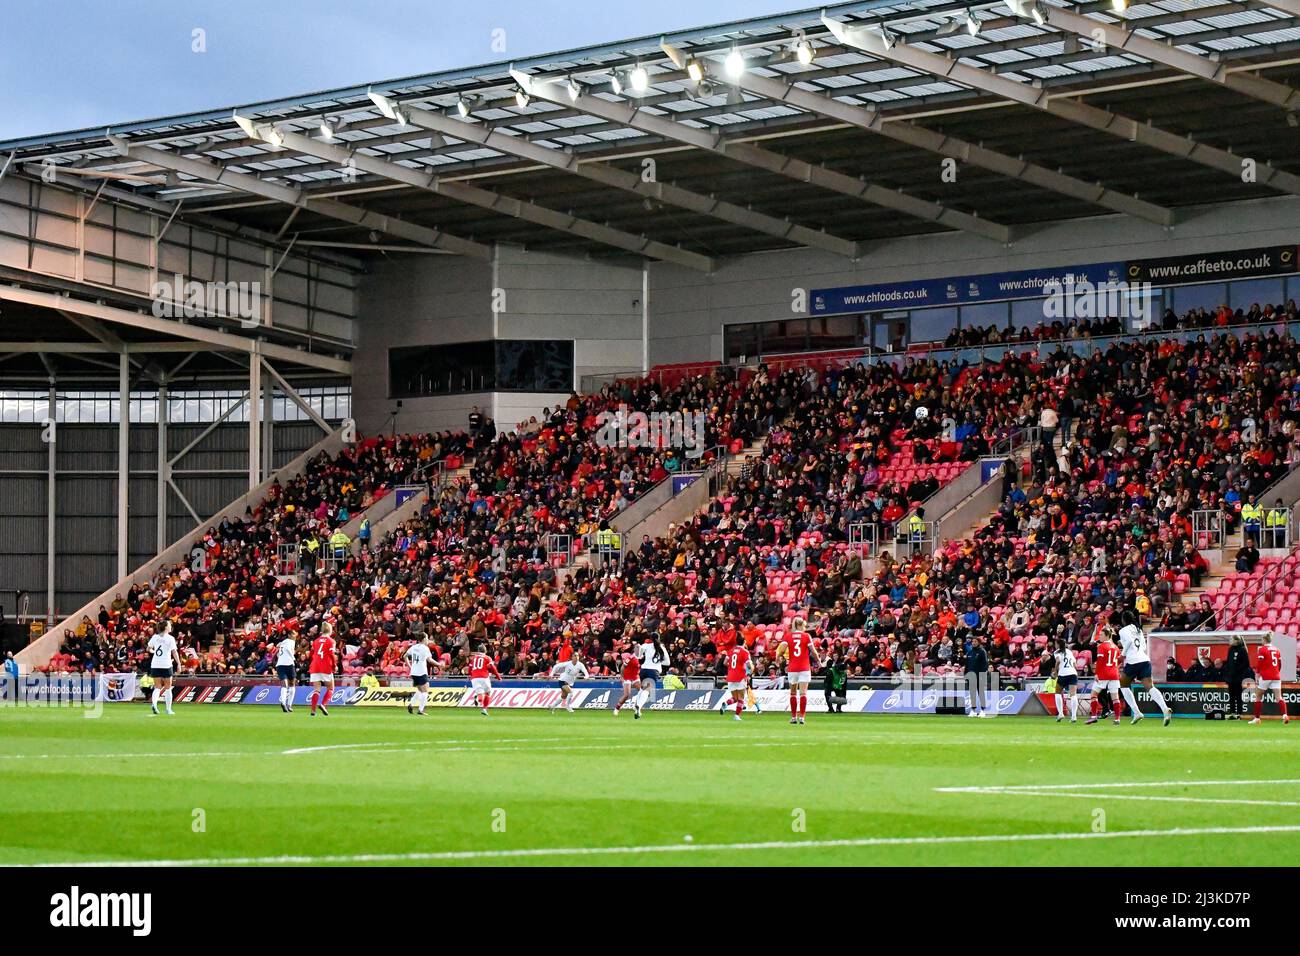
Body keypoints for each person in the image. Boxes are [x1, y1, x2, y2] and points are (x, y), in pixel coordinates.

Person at [1117, 611, 1171, 726]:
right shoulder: (1138, 629)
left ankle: (1137, 712)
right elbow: (1143, 646)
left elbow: (1130, 642)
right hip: (1144, 660)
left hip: (1133, 661)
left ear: (1124, 620)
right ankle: (1165, 709)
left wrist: (1123, 655)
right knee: (1149, 687)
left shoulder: (1123, 630)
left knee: (1123, 685)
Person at [776, 618, 821, 725]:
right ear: (801, 626)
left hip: (792, 668)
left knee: (792, 693)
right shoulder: (806, 636)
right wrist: (818, 661)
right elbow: (813, 651)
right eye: (804, 626)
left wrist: (778, 658)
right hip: (804, 668)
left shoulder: (788, 636)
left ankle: (793, 717)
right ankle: (802, 717)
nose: (805, 628)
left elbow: (781, 650)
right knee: (803, 693)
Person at [1085, 626, 1122, 725]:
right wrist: (1115, 668)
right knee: (1115, 697)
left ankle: (1093, 716)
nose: (1099, 636)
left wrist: (1096, 673)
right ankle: (1117, 719)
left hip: (1104, 674)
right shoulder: (1116, 647)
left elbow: (1100, 662)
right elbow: (1119, 660)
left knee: (1093, 694)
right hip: (1114, 674)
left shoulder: (1101, 646)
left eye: (1101, 634)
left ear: (1106, 636)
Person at [1250, 634, 1290, 725]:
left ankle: (1257, 718)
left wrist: (1257, 674)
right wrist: (1276, 672)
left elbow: (1260, 663)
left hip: (1265, 676)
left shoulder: (1262, 649)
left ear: (1264, 639)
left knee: (1258, 696)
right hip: (1276, 676)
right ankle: (1284, 715)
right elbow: (1279, 664)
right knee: (1279, 697)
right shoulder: (1276, 649)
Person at [145, 620, 181, 716]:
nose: (170, 626)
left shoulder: (155, 637)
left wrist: (154, 651)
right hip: (166, 664)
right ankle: (168, 709)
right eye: (169, 625)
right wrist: (179, 663)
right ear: (165, 628)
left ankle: (154, 704)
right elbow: (174, 652)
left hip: (155, 664)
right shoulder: (170, 638)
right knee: (168, 688)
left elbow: (148, 649)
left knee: (157, 687)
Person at [631, 636, 670, 719]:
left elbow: (638, 656)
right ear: (658, 638)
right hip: (654, 671)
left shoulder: (646, 645)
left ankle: (636, 706)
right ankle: (639, 706)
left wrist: (638, 648)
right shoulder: (661, 647)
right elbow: (667, 663)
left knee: (642, 689)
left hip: (644, 669)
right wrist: (658, 660)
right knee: (647, 690)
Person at [308, 623, 338, 717]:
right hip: (325, 666)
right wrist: (335, 665)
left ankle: (313, 710)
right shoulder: (331, 641)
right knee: (331, 688)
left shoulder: (316, 641)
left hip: (315, 666)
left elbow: (311, 654)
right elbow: (331, 654)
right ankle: (323, 704)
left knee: (317, 689)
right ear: (330, 630)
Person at [405, 635, 436, 716]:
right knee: (425, 691)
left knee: (420, 690)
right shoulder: (425, 648)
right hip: (421, 672)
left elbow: (405, 656)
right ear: (424, 639)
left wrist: (409, 666)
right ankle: (420, 710)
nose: (428, 640)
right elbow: (429, 659)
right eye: (427, 638)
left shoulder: (413, 647)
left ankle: (411, 704)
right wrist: (439, 664)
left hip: (414, 672)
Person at [1224, 634, 1253, 720]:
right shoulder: (1230, 650)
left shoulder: (1242, 650)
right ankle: (1232, 713)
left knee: (1238, 695)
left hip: (1238, 677)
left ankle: (1239, 713)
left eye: (1231, 639)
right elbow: (1228, 662)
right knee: (1231, 696)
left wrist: (1237, 670)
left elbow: (1246, 664)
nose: (1230, 641)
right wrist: (1228, 673)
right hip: (1231, 678)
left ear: (1236, 641)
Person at [1052, 638, 1079, 723]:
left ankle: (1060, 713)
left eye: (1056, 644)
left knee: (1057, 692)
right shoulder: (1069, 651)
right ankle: (1074, 716)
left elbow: (1058, 661)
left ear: (1058, 645)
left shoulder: (1057, 652)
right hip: (1073, 674)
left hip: (1063, 674)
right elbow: (1075, 665)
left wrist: (1055, 671)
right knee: (1073, 694)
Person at [468, 644, 500, 716]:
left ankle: (478, 699)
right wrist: (498, 676)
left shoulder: (473, 658)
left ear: (478, 651)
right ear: (485, 650)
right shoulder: (487, 658)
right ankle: (484, 709)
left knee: (480, 694)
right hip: (484, 677)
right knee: (487, 693)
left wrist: (470, 675)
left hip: (474, 678)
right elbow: (492, 667)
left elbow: (470, 668)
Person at [724, 641, 752, 722]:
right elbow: (749, 666)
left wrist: (732, 668)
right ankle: (736, 715)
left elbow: (725, 662)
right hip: (740, 676)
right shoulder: (745, 652)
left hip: (731, 676)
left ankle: (726, 703)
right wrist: (750, 668)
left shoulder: (730, 650)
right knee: (741, 697)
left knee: (735, 698)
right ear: (743, 642)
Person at [965, 634, 991, 717]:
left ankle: (982, 710)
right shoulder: (969, 652)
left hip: (980, 676)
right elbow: (967, 665)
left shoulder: (982, 652)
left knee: (981, 693)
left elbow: (985, 664)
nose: (973, 643)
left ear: (979, 643)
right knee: (972, 693)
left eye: (975, 641)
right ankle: (973, 710)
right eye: (972, 641)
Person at [274, 630, 298, 713]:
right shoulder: (291, 641)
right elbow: (288, 649)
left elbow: (278, 651)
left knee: (284, 685)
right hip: (289, 664)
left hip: (280, 664)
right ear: (290, 635)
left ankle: (283, 702)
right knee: (292, 684)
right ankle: (289, 705)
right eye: (294, 634)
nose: (295, 636)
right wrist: (294, 659)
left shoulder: (283, 642)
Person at [613, 650, 639, 716]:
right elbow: (623, 667)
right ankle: (617, 709)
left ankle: (637, 705)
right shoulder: (630, 657)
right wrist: (622, 677)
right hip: (626, 676)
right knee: (627, 694)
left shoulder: (641, 657)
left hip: (635, 676)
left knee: (642, 691)